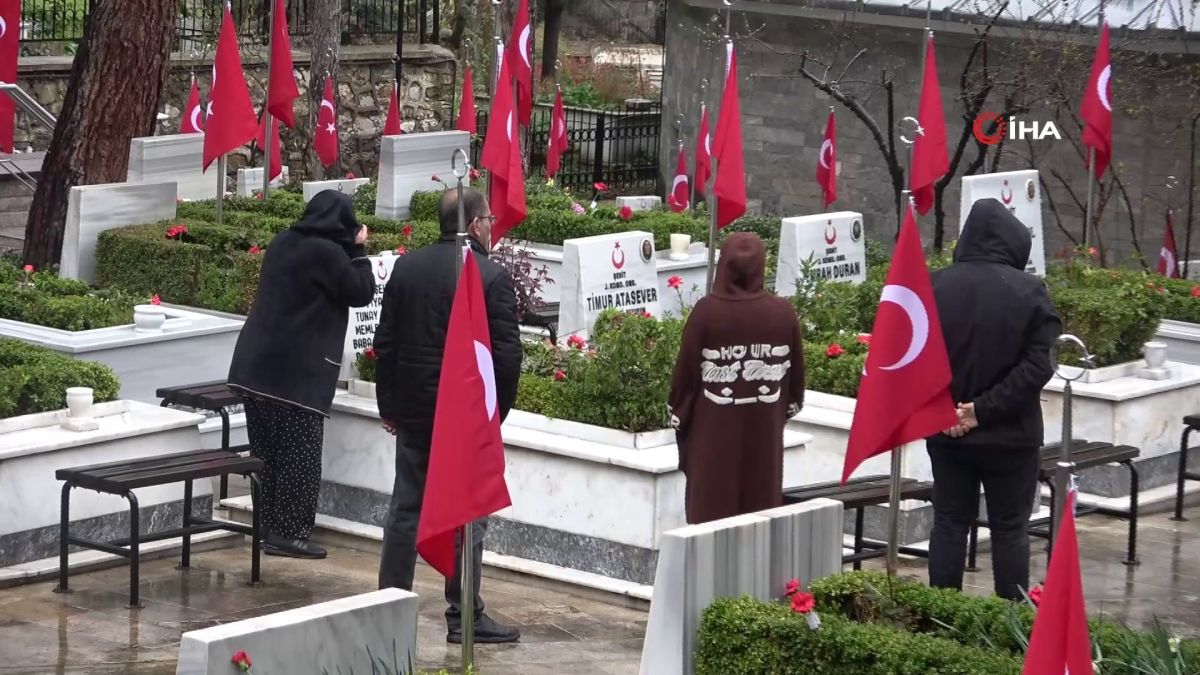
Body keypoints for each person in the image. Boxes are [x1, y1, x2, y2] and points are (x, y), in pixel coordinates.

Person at [373, 187, 523, 644]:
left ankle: (387, 608)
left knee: (406, 506)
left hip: (415, 411)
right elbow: (506, 358)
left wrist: (389, 405)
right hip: (465, 419)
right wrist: (493, 417)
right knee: (467, 513)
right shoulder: (491, 277)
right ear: (475, 225)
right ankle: (464, 616)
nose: (492, 227)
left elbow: (385, 344)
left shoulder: (408, 268)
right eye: (489, 220)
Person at [227, 191, 375, 560]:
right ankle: (289, 534)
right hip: (295, 376)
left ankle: (266, 526)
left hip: (254, 368)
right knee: (299, 458)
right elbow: (360, 291)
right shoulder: (328, 254)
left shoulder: (283, 241)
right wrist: (359, 250)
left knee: (266, 455)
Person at [927, 198, 1062, 601]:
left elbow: (912, 357)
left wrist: (948, 410)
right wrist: (982, 411)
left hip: (946, 432)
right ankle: (1009, 622)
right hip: (1011, 436)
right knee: (1009, 529)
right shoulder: (1030, 291)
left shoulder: (934, 286)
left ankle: (941, 616)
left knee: (949, 523)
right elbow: (1039, 364)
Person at [668, 232, 806, 524]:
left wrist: (680, 416)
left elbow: (685, 379)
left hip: (712, 437)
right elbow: (794, 384)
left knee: (711, 517)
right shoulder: (782, 314)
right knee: (759, 515)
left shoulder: (707, 313)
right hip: (764, 436)